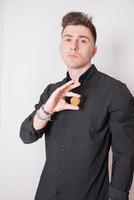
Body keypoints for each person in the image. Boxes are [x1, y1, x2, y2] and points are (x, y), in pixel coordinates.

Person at [20, 12, 134, 200]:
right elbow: (26, 135)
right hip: (46, 194)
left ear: (94, 50)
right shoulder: (51, 91)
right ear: (61, 46)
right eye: (68, 39)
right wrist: (46, 110)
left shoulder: (117, 92)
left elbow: (125, 154)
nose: (73, 46)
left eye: (82, 41)